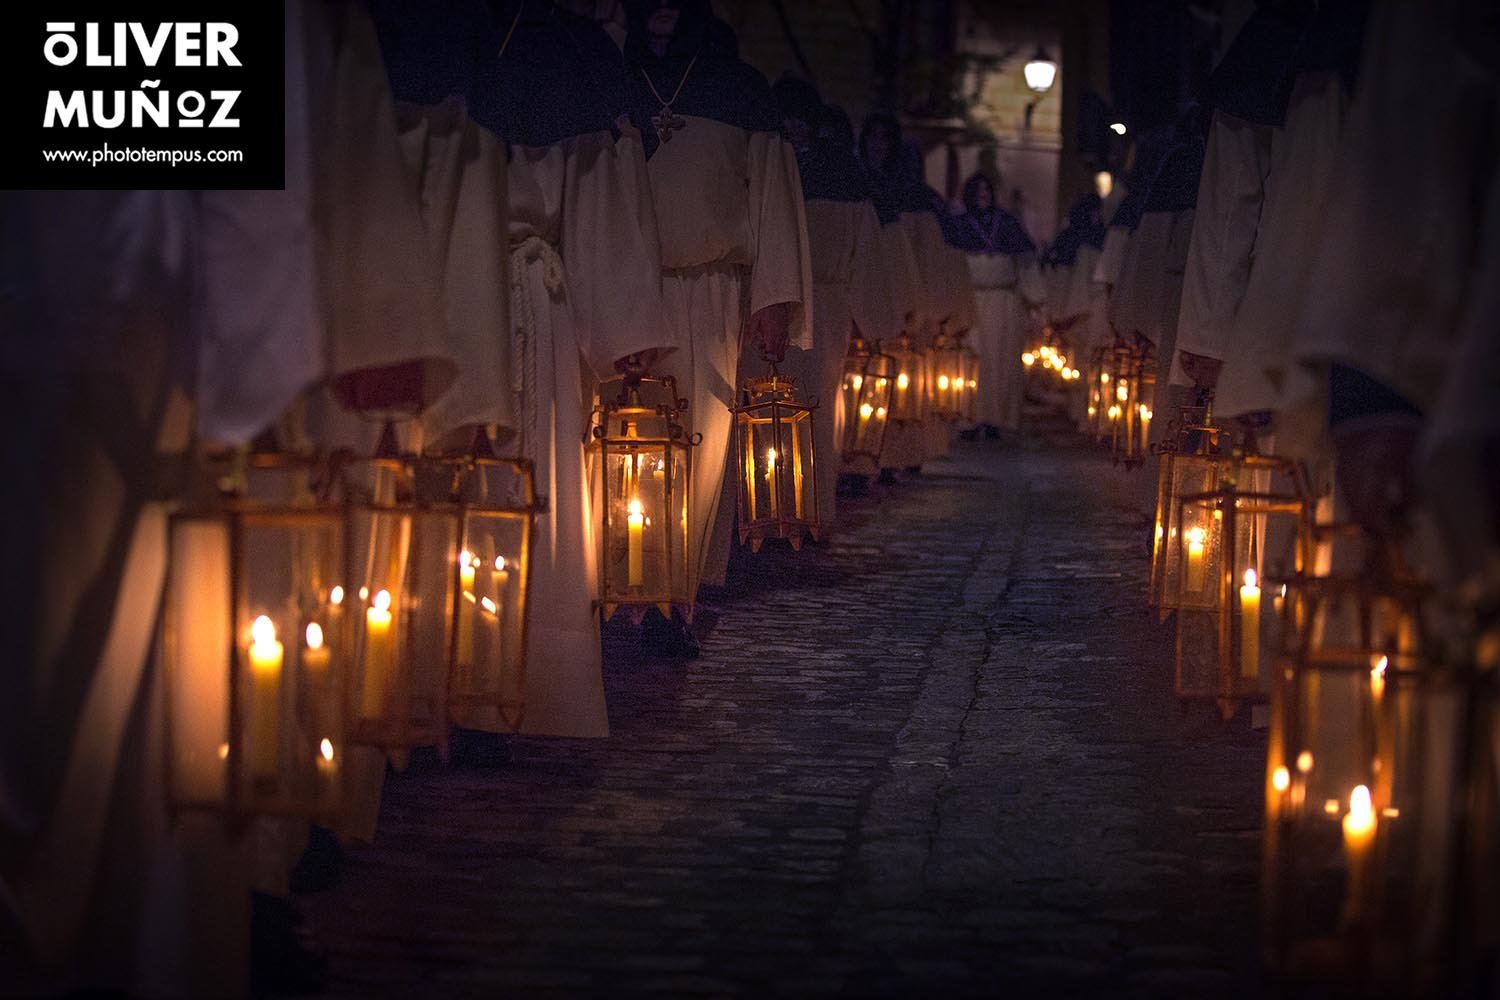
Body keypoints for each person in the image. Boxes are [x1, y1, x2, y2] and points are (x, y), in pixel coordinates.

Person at [467, 0, 670, 723]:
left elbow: (593, 203)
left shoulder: (570, 57)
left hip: (514, 295)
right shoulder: (457, 36)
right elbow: (603, 212)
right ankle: (448, 679)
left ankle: (513, 679)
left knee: (523, 479)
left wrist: (623, 335)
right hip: (471, 290)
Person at [622, 0, 812, 653]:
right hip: (624, 282)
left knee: (698, 446)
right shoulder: (614, 74)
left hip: (708, 290)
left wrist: (772, 302)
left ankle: (674, 598)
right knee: (618, 447)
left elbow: (771, 196)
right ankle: (618, 586)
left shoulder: (740, 90)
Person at [771, 79, 886, 533]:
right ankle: (785, 506)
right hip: (801, 299)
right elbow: (866, 254)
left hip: (810, 299)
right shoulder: (840, 177)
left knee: (809, 404)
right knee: (791, 402)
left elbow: (860, 252)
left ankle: (803, 507)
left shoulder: (815, 174)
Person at [948, 171, 1044, 438]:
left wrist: (1035, 300)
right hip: (972, 300)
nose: (983, 195)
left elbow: (1024, 263)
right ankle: (968, 418)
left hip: (1004, 303)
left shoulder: (1007, 223)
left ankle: (994, 420)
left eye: (986, 190)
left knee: (1001, 362)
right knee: (971, 359)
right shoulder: (959, 224)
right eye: (977, 190)